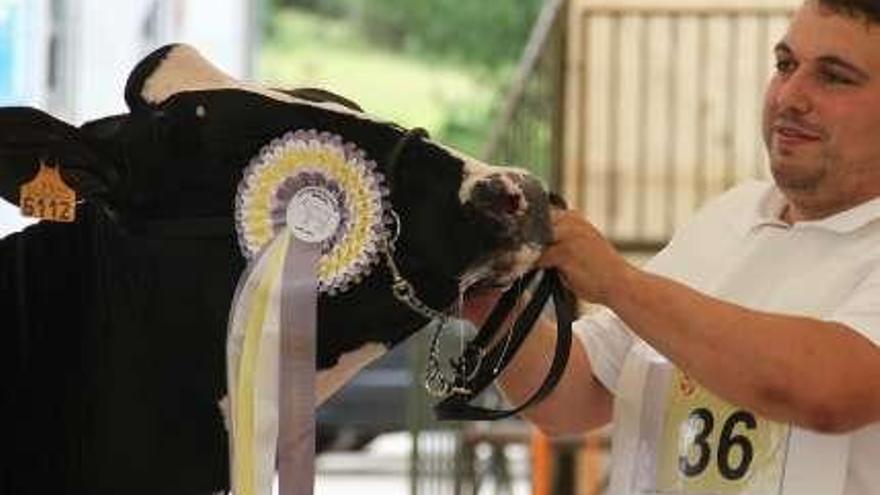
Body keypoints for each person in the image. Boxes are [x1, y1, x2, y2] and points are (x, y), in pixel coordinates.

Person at [467, 1, 880, 493]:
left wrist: (618, 282)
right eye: (785, 65)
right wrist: (482, 294)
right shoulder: (729, 215)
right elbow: (572, 396)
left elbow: (828, 392)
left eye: (834, 77)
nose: (790, 96)